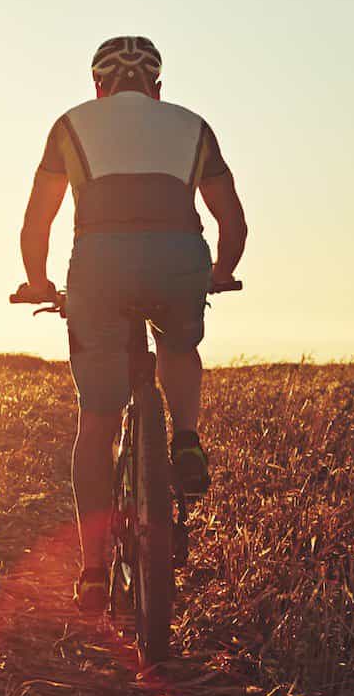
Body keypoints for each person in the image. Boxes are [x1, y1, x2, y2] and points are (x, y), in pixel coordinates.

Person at [14, 35, 248, 611]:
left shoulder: (71, 124)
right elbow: (232, 218)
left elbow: (37, 221)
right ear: (158, 87)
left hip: (99, 265)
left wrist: (39, 282)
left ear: (97, 86)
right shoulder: (193, 126)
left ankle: (94, 570)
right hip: (179, 260)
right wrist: (222, 271)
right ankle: (187, 439)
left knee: (96, 420)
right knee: (178, 344)